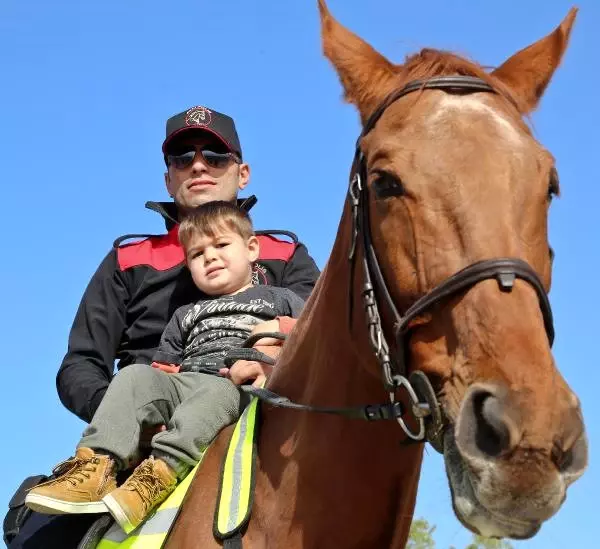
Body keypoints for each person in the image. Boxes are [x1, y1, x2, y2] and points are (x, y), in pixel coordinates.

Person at [5, 105, 319, 548]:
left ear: (242, 172)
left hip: (260, 422)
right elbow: (81, 365)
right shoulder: (128, 260)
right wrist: (134, 418)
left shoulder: (284, 254)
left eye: (215, 155)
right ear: (168, 178)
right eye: (181, 158)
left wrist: (274, 351)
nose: (198, 165)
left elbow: (318, 335)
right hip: (146, 424)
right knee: (36, 538)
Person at [25, 202, 305, 534]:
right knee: (134, 375)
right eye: (198, 254)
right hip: (187, 381)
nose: (210, 257)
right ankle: (96, 465)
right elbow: (165, 363)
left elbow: (311, 330)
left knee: (217, 391)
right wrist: (160, 381)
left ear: (252, 248)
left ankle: (160, 472)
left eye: (221, 246)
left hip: (234, 386)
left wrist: (277, 335)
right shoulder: (185, 314)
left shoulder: (280, 298)